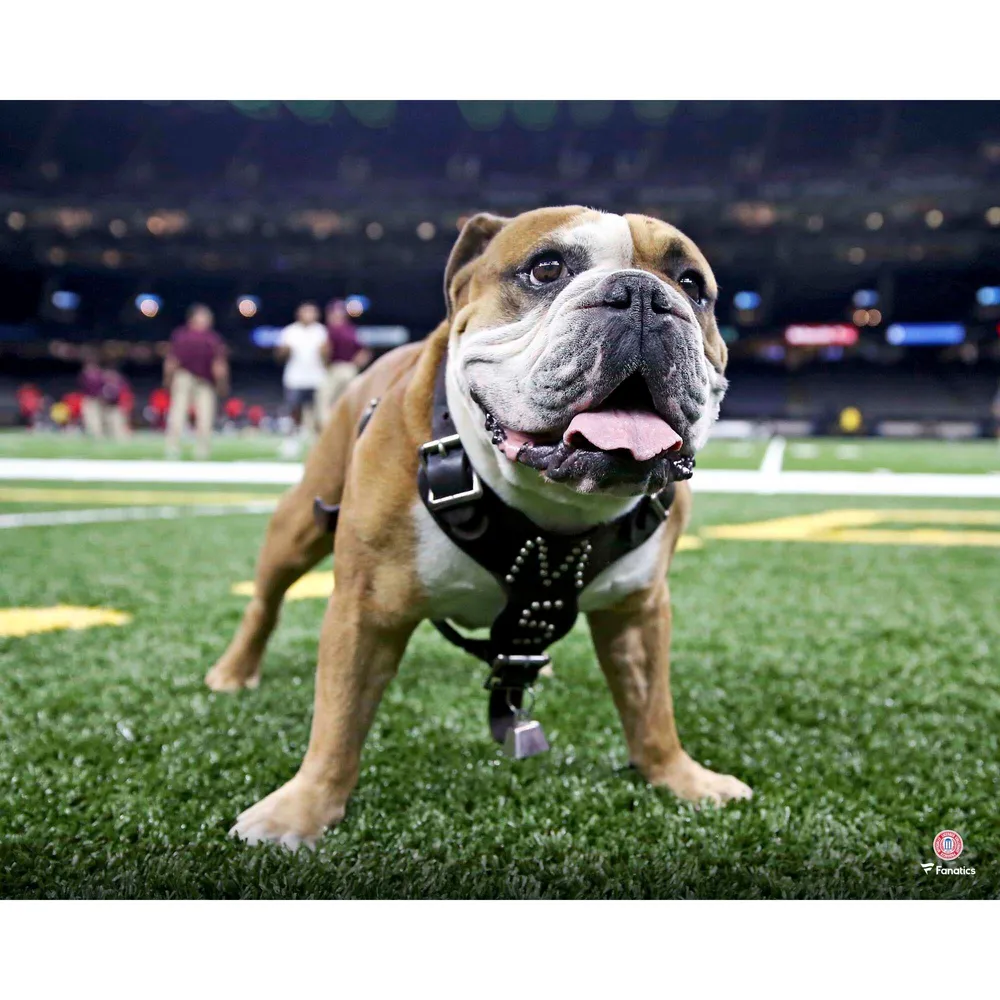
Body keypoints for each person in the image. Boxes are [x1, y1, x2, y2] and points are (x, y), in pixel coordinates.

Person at [164, 303, 229, 459]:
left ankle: (201, 448)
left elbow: (218, 364)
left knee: (205, 415)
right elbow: (172, 360)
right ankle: (174, 446)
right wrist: (168, 379)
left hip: (204, 381)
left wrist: (221, 383)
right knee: (178, 413)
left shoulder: (211, 338)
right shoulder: (183, 335)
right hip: (184, 376)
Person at [276, 301, 327, 436]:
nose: (309, 315)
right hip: (295, 377)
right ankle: (292, 437)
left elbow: (328, 356)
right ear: (299, 314)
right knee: (294, 408)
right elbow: (279, 356)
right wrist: (284, 350)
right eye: (306, 312)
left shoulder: (321, 331)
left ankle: (318, 439)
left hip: (316, 377)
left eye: (312, 312)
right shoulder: (290, 331)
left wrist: (325, 352)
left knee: (318, 410)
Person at [317, 299, 371, 426]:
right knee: (347, 401)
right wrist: (354, 365)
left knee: (324, 401)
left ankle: (328, 430)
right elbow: (365, 352)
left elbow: (326, 349)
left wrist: (326, 364)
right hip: (350, 370)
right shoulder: (351, 330)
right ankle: (347, 428)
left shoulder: (332, 329)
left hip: (336, 368)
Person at [78, 351, 106, 437]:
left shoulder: (99, 374)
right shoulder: (85, 374)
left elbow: (102, 386)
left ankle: (98, 434)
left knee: (97, 417)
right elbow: (81, 385)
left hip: (96, 398)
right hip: (88, 397)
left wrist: (101, 397)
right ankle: (91, 433)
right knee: (88, 417)